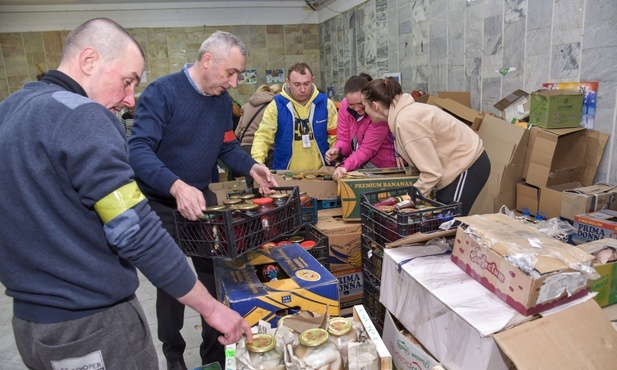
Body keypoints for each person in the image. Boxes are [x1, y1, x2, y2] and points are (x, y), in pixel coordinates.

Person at [0, 18, 252, 370]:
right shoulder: (84, 117)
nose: (129, 98)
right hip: (92, 321)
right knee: (172, 288)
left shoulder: (10, 109)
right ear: (89, 61)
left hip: (32, 324)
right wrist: (211, 308)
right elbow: (134, 230)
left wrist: (251, 165)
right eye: (127, 81)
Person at [128, 30, 276, 369]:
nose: (235, 83)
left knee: (213, 277)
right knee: (172, 282)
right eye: (231, 73)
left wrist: (252, 167)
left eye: (238, 74)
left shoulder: (222, 101)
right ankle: (174, 355)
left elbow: (226, 146)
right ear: (207, 60)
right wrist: (176, 186)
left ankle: (214, 354)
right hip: (162, 202)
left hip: (203, 198)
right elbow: (138, 151)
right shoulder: (162, 93)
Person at [360, 78, 490, 216]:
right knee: (442, 221)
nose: (364, 111)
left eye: (364, 106)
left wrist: (409, 198)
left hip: (467, 164)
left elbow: (432, 172)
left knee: (448, 222)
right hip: (457, 166)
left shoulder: (406, 121)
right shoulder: (404, 114)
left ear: (375, 106)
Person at [251, 62, 338, 171]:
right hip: (287, 173)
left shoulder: (326, 104)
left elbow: (336, 137)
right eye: (297, 84)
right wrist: (257, 162)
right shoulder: (276, 106)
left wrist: (336, 151)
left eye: (306, 84)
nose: (302, 89)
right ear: (288, 82)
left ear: (312, 80)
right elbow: (263, 136)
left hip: (322, 172)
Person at [325, 74, 399, 180]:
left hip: (383, 167)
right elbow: (343, 138)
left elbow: (367, 149)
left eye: (360, 103)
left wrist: (345, 166)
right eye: (351, 104)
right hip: (356, 162)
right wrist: (338, 150)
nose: (356, 108)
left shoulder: (377, 112)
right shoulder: (344, 106)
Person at [235, 83, 282, 156]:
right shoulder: (275, 106)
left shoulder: (246, 106)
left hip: (245, 148)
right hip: (267, 150)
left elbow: (237, 132)